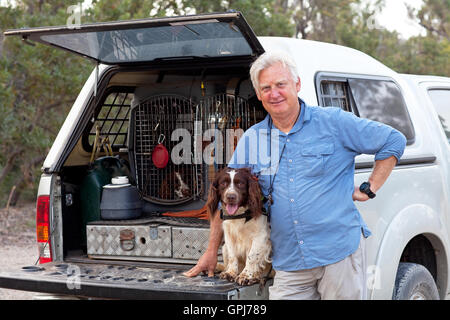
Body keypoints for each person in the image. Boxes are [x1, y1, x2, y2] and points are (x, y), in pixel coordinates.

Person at [184, 51, 406, 300]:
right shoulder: (252, 139)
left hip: (338, 254)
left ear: (297, 84)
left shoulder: (333, 122)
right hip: (289, 260)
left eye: (281, 84)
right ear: (258, 94)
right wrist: (212, 250)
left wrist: (370, 187)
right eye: (266, 88)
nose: (274, 93)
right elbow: (226, 198)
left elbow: (393, 140)